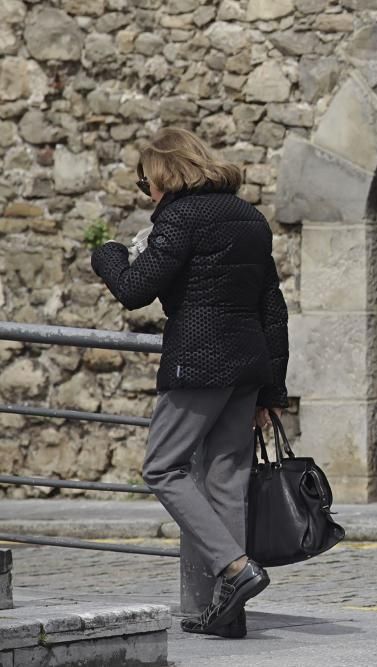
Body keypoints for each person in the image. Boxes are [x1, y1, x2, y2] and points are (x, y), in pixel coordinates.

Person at [91, 127, 288, 639]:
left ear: (164, 176)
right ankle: (228, 615)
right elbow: (273, 308)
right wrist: (271, 391)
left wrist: (107, 254)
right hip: (247, 364)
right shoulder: (249, 216)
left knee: (162, 467)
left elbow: (134, 289)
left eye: (146, 184)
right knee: (225, 481)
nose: (147, 195)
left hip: (198, 362)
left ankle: (236, 568)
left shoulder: (179, 218)